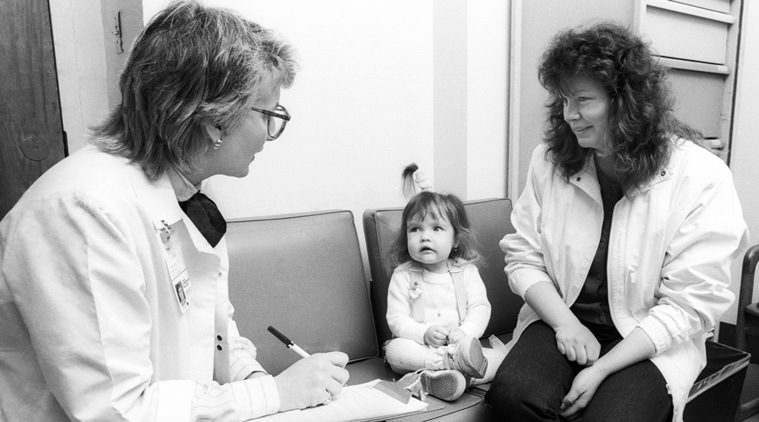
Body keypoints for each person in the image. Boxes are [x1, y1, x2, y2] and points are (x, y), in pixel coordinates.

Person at [0, 1, 349, 421]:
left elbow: (213, 335)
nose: (270, 134)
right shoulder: (83, 211)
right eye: (270, 113)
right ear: (215, 122)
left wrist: (257, 380)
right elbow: (114, 410)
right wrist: (273, 395)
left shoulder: (181, 193)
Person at [485, 22, 749, 422]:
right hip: (565, 315)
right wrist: (567, 325)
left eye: (583, 100)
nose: (569, 115)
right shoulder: (549, 160)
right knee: (515, 395)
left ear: (626, 102)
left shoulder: (700, 176)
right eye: (562, 100)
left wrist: (603, 368)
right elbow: (524, 258)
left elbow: (691, 304)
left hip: (648, 335)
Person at [384, 165, 507, 401]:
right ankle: (444, 368)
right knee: (394, 351)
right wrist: (424, 333)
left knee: (500, 358)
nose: (425, 236)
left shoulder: (466, 272)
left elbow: (480, 309)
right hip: (421, 349)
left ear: (456, 239)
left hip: (460, 349)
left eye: (437, 228)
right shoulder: (403, 275)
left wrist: (464, 333)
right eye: (415, 229)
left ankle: (442, 378)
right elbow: (397, 321)